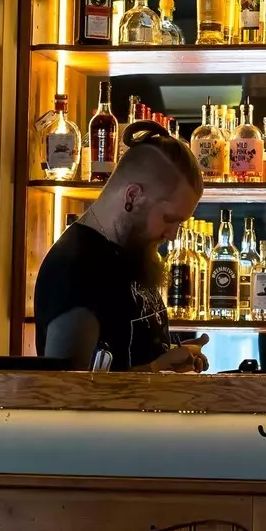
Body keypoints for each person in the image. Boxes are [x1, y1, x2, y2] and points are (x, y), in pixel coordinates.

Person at [33, 119, 209, 372]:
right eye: (169, 219)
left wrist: (171, 355)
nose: (172, 234)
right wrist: (155, 371)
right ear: (133, 196)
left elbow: (123, 349)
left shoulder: (131, 253)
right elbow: (68, 393)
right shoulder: (76, 269)